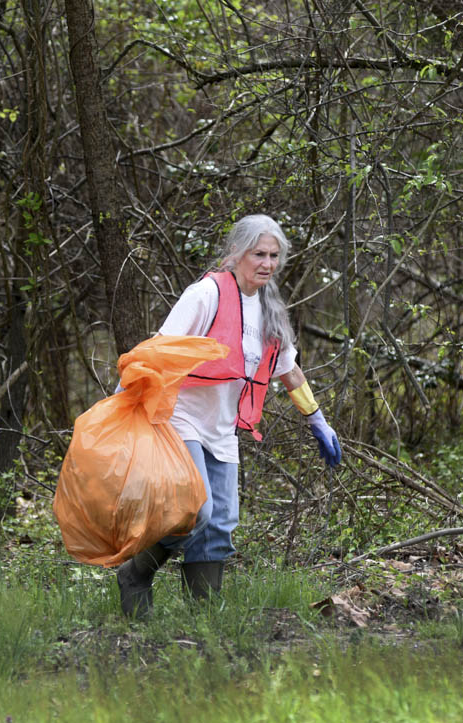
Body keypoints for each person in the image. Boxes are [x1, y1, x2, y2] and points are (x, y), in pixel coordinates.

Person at [116, 214, 342, 618]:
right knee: (195, 509)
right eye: (259, 254)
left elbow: (288, 370)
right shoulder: (206, 294)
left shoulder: (270, 309)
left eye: (274, 255)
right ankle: (135, 574)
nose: (267, 264)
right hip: (180, 418)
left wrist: (317, 419)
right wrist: (124, 402)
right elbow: (160, 350)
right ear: (236, 253)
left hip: (223, 429)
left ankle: (204, 620)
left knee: (220, 523)